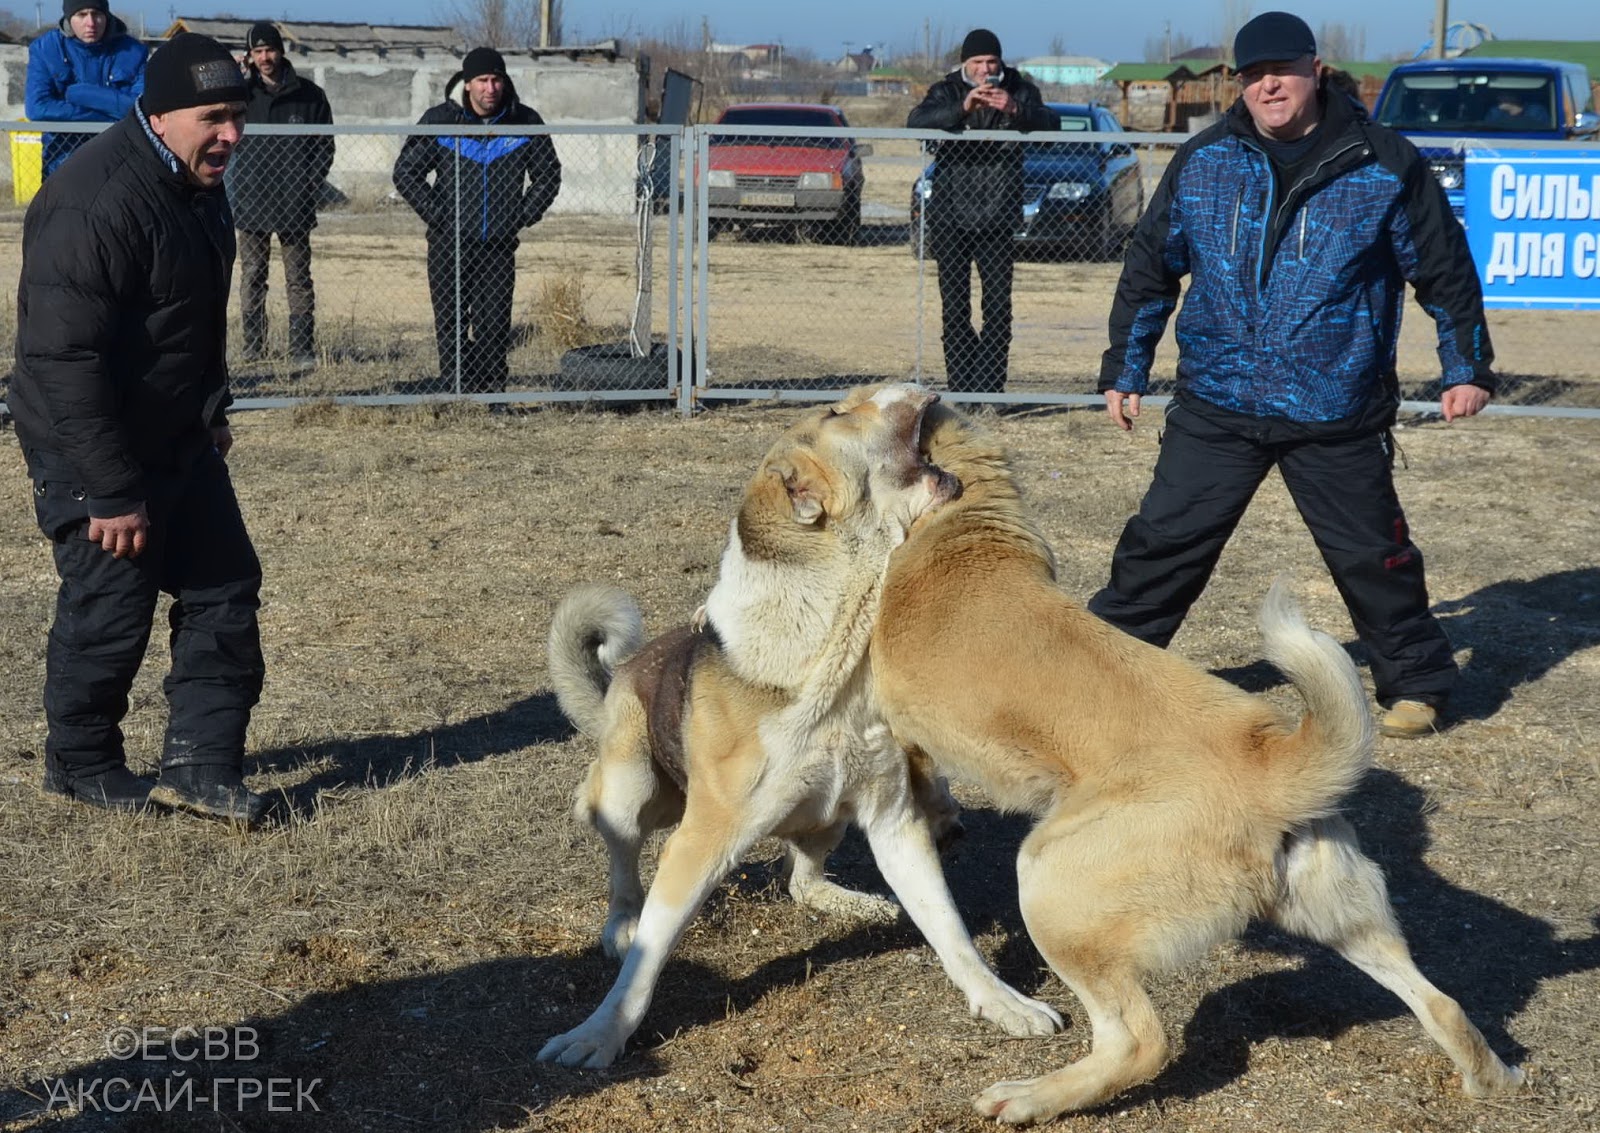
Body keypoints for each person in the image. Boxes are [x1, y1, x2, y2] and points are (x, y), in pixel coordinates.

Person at [1090, 11, 1495, 739]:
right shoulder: (1205, 161)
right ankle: (1095, 672)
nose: (1268, 85)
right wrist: (1126, 368)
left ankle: (1417, 684)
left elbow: (1444, 269)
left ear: (1316, 71)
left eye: (1281, 70)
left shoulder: (1383, 162)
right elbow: (1151, 267)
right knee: (1160, 547)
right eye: (1253, 75)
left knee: (1374, 556)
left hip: (1334, 406)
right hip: (1218, 400)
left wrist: (1464, 366)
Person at [9, 32, 270, 823]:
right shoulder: (94, 201)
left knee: (224, 588)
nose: (231, 134)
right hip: (92, 444)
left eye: (238, 116)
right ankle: (81, 762)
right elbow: (61, 359)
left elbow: (191, 312)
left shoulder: (196, 183)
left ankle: (201, 765)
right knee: (110, 608)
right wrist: (112, 490)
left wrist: (211, 409)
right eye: (213, 118)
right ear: (159, 116)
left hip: (176, 433)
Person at [393, 47, 562, 393]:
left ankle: (491, 391)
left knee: (494, 324)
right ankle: (457, 386)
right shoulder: (441, 120)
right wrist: (439, 216)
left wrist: (521, 216)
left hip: (498, 245)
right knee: (451, 321)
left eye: (496, 80)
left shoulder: (525, 122)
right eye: (482, 80)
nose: (490, 88)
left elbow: (548, 175)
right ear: (468, 83)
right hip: (448, 243)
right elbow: (406, 172)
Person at [907, 28, 1054, 394]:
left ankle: (988, 391)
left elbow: (1052, 126)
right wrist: (963, 108)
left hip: (998, 215)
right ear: (965, 64)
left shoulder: (1020, 89)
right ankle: (962, 391)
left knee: (998, 311)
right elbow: (916, 123)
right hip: (950, 215)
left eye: (991, 61)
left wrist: (1015, 109)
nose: (985, 69)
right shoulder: (947, 90)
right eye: (978, 62)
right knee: (955, 309)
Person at [225, 21, 334, 367]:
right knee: (252, 276)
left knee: (298, 278)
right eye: (257, 51)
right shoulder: (242, 95)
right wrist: (234, 75)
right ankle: (254, 348)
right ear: (249, 56)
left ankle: (301, 349)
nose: (264, 57)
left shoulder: (310, 95)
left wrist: (308, 185)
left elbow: (325, 147)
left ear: (281, 50)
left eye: (269, 49)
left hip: (294, 204)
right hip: (252, 201)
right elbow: (217, 116)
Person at [25, 0, 149, 178]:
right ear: (69, 18)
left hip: (119, 158)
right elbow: (37, 107)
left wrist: (80, 93)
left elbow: (140, 107)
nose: (90, 23)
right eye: (81, 15)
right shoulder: (46, 49)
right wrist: (107, 117)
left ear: (106, 16)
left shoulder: (133, 52)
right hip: (63, 161)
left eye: (97, 14)